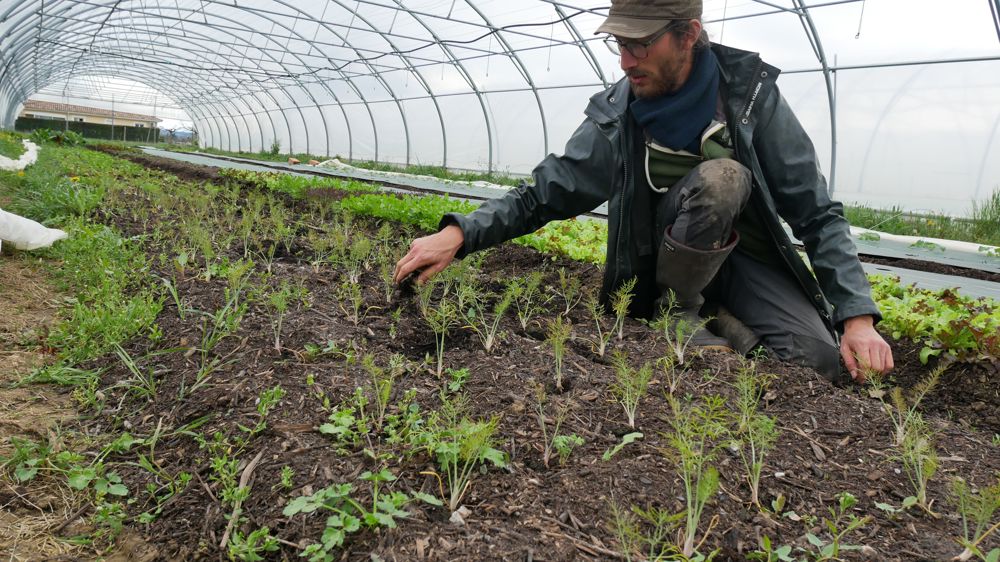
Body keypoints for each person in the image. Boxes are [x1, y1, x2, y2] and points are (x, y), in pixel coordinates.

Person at [394, 0, 893, 382]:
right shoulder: (620, 116)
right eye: (620, 44)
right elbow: (545, 193)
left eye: (641, 44)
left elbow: (816, 212)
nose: (626, 60)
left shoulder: (748, 98)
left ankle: (718, 316)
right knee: (724, 178)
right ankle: (676, 311)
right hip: (661, 270)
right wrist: (460, 234)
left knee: (818, 363)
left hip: (743, 263)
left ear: (688, 35)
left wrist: (856, 317)